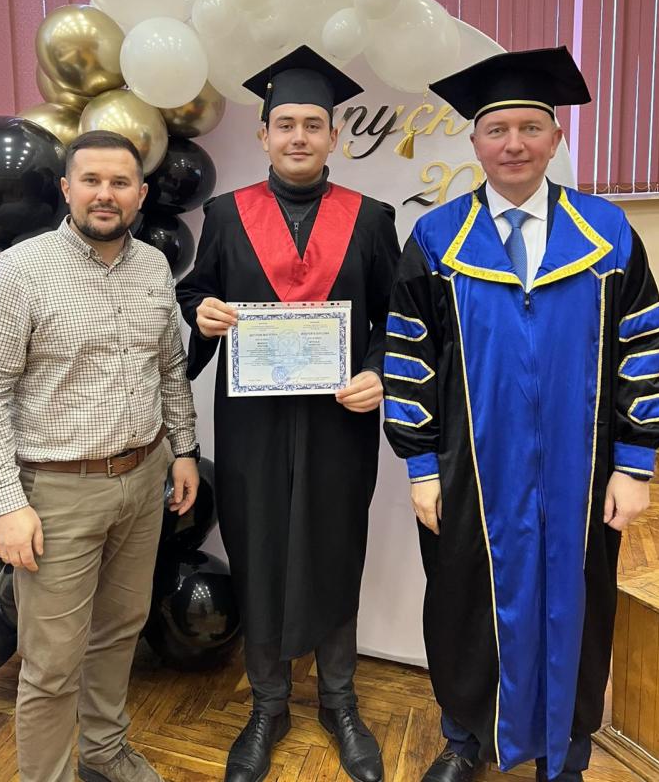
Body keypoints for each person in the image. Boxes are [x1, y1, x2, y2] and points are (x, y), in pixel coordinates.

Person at [383, 46, 659, 782]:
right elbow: (408, 356)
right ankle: (464, 739)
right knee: (463, 604)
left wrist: (636, 465)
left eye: (530, 128)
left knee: (580, 608)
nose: (514, 144)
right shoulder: (438, 239)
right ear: (475, 142)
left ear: (556, 137)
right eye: (498, 129)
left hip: (583, 470)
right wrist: (420, 466)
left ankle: (565, 756)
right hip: (470, 471)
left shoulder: (606, 234)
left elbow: (643, 348)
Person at [176, 45, 400, 782]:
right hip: (254, 422)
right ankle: (268, 704)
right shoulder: (225, 215)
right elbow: (193, 296)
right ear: (264, 135)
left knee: (336, 545)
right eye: (285, 125)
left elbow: (396, 320)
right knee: (260, 545)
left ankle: (339, 700)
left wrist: (377, 372)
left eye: (313, 125)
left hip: (339, 419)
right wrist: (202, 314)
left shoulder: (371, 219)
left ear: (334, 137)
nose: (299, 137)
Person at [0, 130, 200, 782]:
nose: (105, 194)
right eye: (91, 180)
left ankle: (105, 751)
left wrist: (183, 450)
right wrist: (7, 503)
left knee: (121, 630)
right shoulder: (23, 270)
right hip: (57, 493)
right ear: (67, 189)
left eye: (120, 182)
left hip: (143, 478)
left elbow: (168, 369)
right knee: (52, 662)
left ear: (141, 194)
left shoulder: (153, 267)